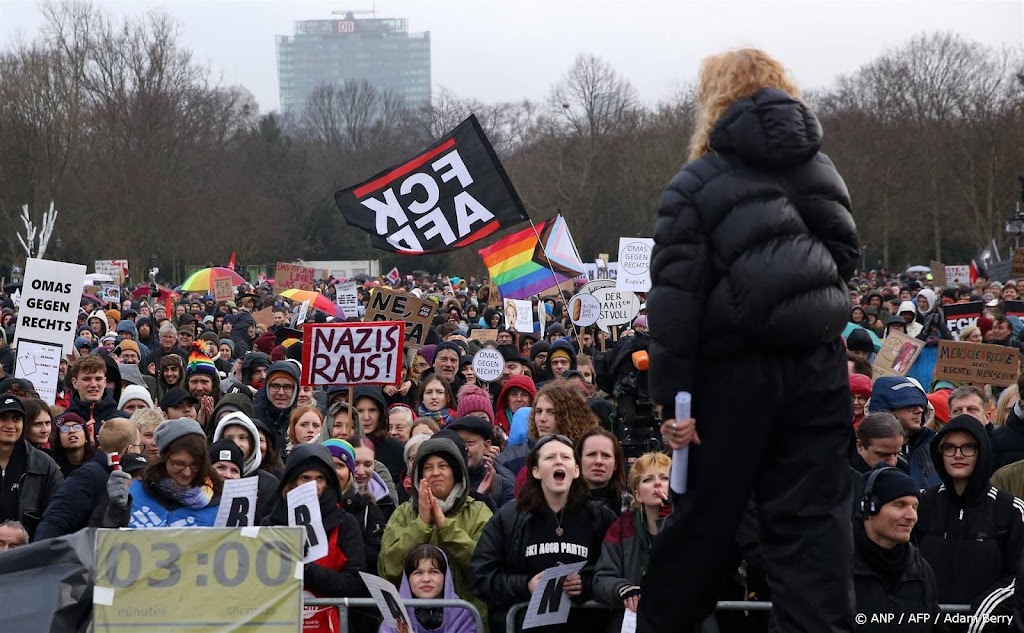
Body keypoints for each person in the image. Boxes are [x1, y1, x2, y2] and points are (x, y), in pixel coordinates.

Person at [642, 49, 860, 633]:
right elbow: (844, 261)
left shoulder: (696, 182)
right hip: (817, 368)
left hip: (732, 376)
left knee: (703, 527)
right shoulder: (823, 169)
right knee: (814, 533)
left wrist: (673, 400)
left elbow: (675, 300)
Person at [471, 434, 616, 632]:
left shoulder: (600, 516)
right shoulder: (509, 517)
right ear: (537, 471)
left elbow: (616, 570)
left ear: (575, 470)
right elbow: (481, 576)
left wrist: (586, 582)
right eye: (550, 458)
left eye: (565, 457)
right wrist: (526, 585)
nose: (558, 461)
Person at [915, 415, 1024, 628]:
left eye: (968, 447)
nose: (958, 455)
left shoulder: (1011, 510)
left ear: (982, 451)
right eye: (949, 447)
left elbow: (1016, 578)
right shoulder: (921, 504)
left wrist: (980, 615)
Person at [380, 434, 492, 625]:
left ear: (456, 472)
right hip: (411, 623)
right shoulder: (404, 513)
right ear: (419, 476)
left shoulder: (479, 511)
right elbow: (387, 568)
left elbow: (485, 564)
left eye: (443, 466)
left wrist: (445, 527)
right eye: (428, 468)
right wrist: (422, 524)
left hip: (466, 623)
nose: (435, 473)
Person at [262, 443, 366, 633]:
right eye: (305, 478)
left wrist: (306, 570)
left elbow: (354, 582)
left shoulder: (345, 523)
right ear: (292, 481)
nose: (314, 485)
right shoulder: (270, 524)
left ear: (328, 483)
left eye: (320, 478)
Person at [853, 467, 940, 633]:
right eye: (900, 505)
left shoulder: (920, 570)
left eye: (914, 507)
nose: (911, 516)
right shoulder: (835, 565)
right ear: (869, 508)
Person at [594, 453, 672, 626]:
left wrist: (668, 515)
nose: (657, 483)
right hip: (633, 620)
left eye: (665, 477)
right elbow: (602, 578)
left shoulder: (688, 524)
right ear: (637, 495)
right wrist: (622, 588)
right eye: (648, 480)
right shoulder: (621, 527)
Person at [35, 417, 141, 539]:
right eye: (139, 446)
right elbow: (54, 523)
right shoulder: (87, 476)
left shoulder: (111, 474)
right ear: (130, 449)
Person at [127, 418, 222, 528]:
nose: (187, 472)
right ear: (163, 458)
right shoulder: (138, 492)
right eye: (178, 464)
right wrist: (116, 510)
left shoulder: (218, 500)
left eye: (195, 465)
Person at [0, 395, 63, 539]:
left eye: (16, 419)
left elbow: (56, 516)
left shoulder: (45, 466)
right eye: (3, 418)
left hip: (27, 554)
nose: (10, 425)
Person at [379, 544, 477, 633]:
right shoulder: (395, 617)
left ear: (445, 577)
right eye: (418, 573)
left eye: (434, 572)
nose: (426, 579)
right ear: (408, 579)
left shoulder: (463, 615)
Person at [870, 376, 940, 489]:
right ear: (888, 410)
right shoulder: (866, 447)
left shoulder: (936, 444)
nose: (920, 410)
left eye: (921, 405)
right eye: (911, 406)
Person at [211, 410, 279, 523]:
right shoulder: (202, 482)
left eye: (242, 438)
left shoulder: (269, 484)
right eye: (229, 438)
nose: (237, 443)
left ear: (252, 443)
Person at [446, 416, 516, 509]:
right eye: (458, 442)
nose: (463, 448)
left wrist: (483, 499)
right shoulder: (444, 483)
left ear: (486, 446)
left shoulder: (501, 486)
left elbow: (505, 521)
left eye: (470, 442)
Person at [355, 386, 407, 483]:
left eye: (372, 410)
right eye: (360, 411)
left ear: (381, 413)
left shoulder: (397, 449)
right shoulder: (344, 446)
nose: (366, 417)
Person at [65, 355, 128, 432]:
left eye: (98, 379)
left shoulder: (124, 421)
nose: (94, 384)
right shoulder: (62, 422)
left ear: (104, 382)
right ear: (75, 383)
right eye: (87, 379)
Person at [576, 427, 629, 515]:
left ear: (615, 464)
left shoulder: (629, 505)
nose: (599, 461)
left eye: (606, 455)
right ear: (579, 461)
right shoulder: (563, 502)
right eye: (591, 454)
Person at [253, 360, 300, 454]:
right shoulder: (252, 415)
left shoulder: (301, 419)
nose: (281, 392)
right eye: (275, 386)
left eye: (288, 387)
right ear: (267, 388)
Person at [50, 412, 98, 478]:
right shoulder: (53, 468)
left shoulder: (97, 465)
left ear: (86, 437)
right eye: (64, 429)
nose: (72, 431)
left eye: (77, 427)